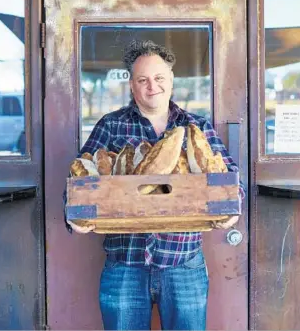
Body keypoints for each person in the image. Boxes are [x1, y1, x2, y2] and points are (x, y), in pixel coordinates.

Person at [71, 40, 243, 331]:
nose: (153, 86)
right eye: (143, 80)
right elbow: (81, 177)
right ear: (132, 86)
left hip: (183, 261)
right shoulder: (111, 126)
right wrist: (75, 214)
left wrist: (231, 206)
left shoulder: (196, 127)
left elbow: (228, 176)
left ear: (171, 81)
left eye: (159, 78)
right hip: (125, 261)